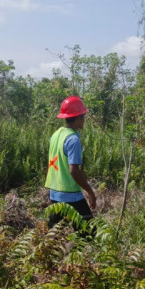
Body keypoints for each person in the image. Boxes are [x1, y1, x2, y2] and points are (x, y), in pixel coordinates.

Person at [45, 95, 97, 229]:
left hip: (54, 193)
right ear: (78, 118)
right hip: (70, 195)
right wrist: (90, 192)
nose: (84, 120)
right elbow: (73, 170)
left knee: (54, 235)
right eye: (83, 116)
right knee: (88, 233)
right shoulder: (73, 139)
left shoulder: (56, 135)